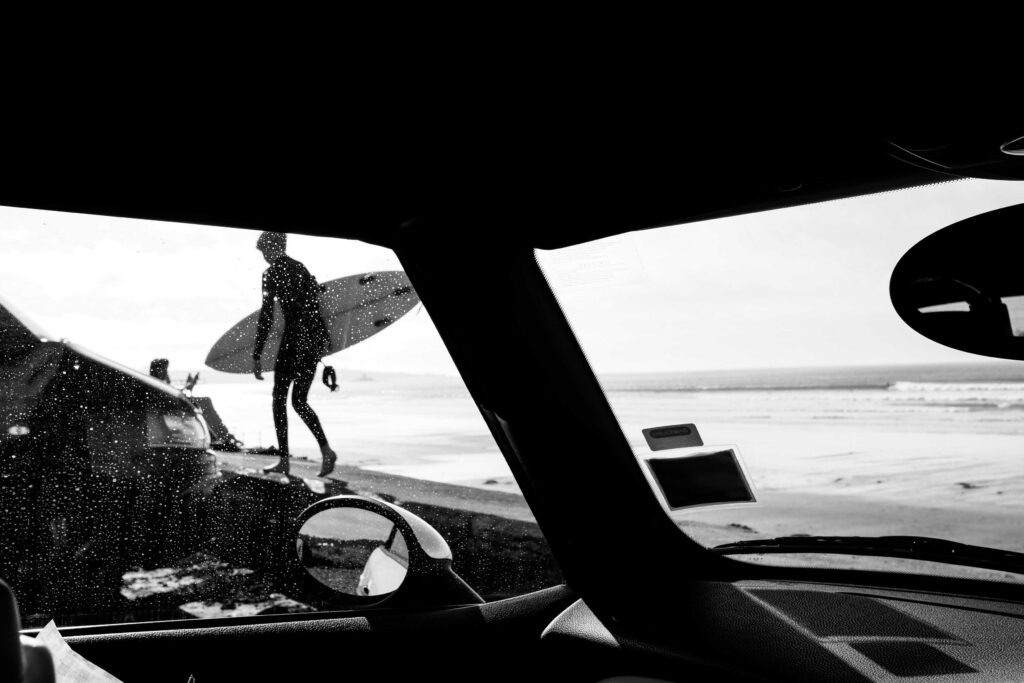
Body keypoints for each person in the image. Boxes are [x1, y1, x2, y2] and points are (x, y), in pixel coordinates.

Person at [252, 231, 337, 477]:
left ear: (271, 247)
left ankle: (284, 461)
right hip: (311, 342)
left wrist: (257, 354)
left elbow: (267, 315)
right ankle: (326, 450)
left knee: (279, 400)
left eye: (264, 252)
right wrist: (321, 340)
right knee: (299, 401)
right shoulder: (301, 268)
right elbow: (315, 305)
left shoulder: (271, 274)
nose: (265, 258)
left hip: (293, 342)